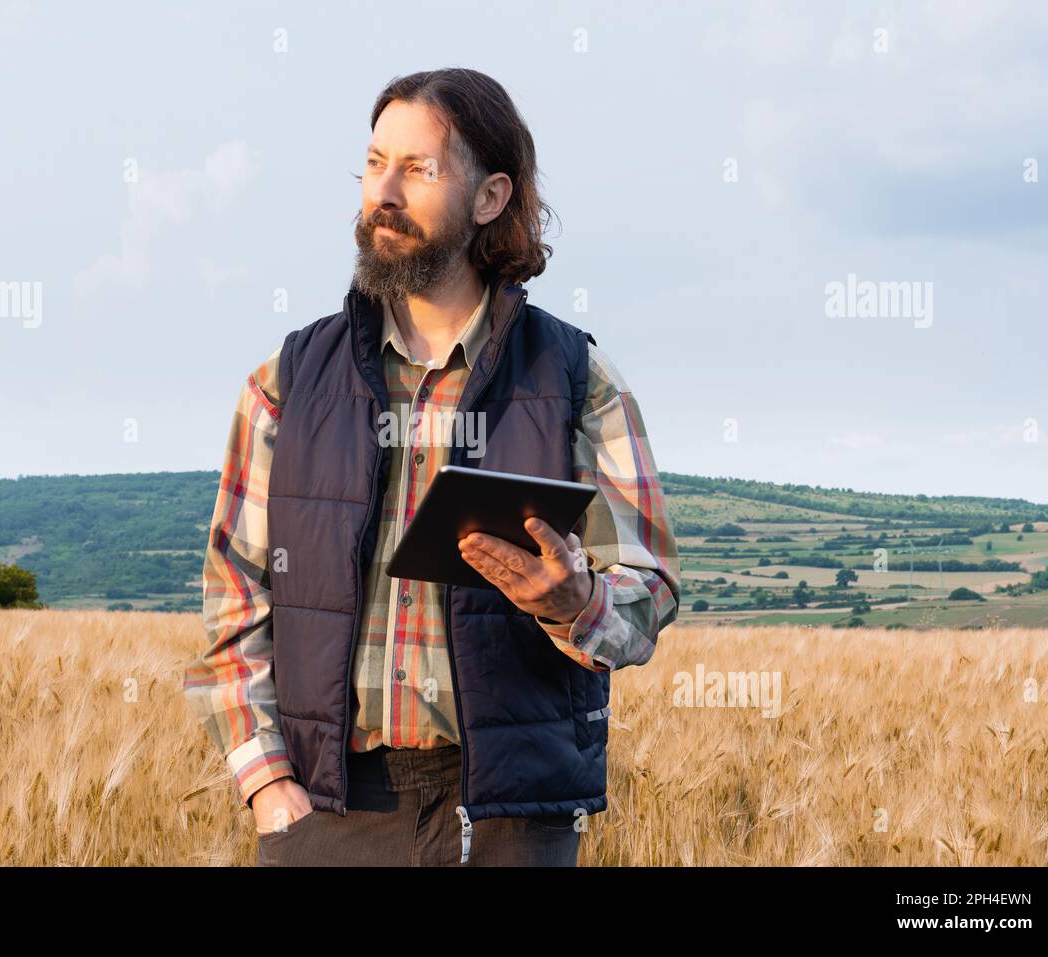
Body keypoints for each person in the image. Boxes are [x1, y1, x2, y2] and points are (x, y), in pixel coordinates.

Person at [183, 67, 680, 866]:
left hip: (510, 820)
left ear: (489, 198)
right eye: (374, 164)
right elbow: (233, 596)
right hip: (331, 812)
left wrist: (577, 600)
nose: (384, 191)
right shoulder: (285, 382)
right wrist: (271, 789)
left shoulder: (577, 377)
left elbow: (649, 588)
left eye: (418, 170)